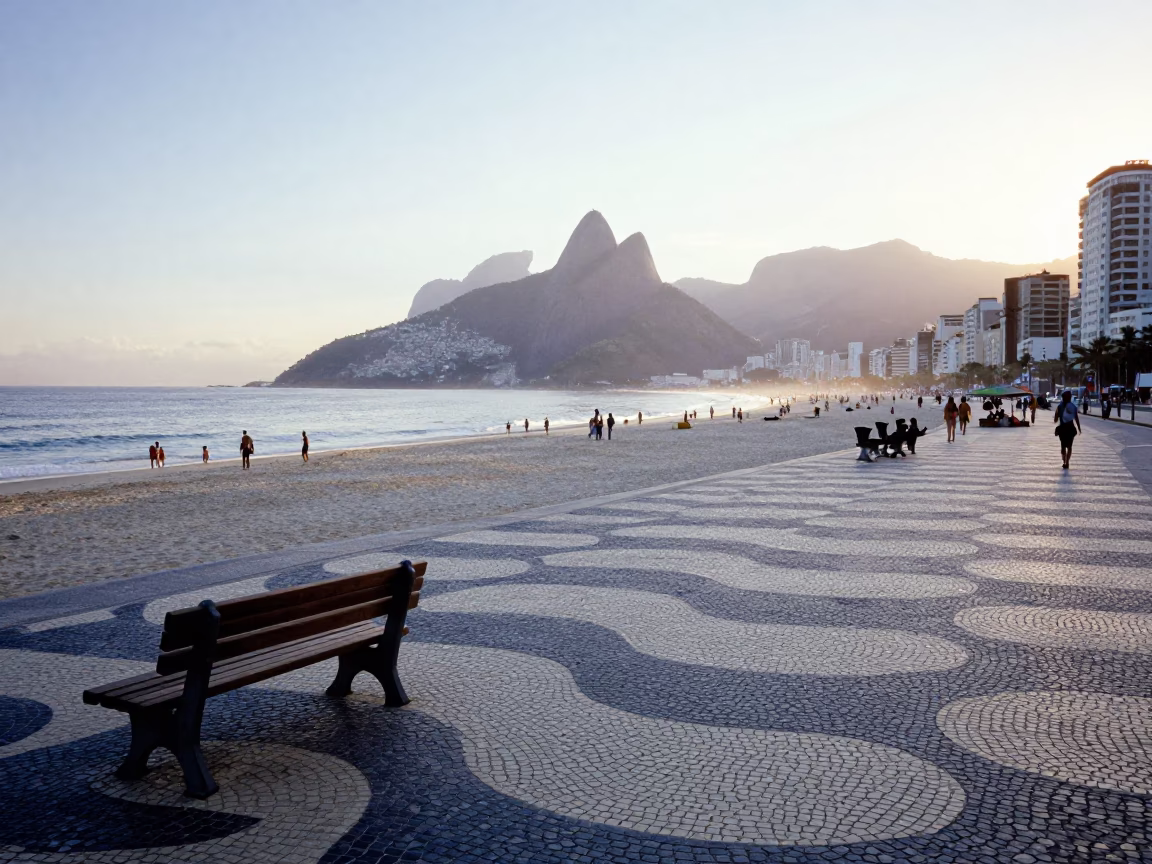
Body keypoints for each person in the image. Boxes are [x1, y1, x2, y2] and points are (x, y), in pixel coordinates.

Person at [1054, 390, 1082, 470]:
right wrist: (1079, 428)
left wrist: (1057, 416)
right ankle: (1067, 462)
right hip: (1070, 429)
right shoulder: (1073, 406)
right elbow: (1076, 418)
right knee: (1069, 446)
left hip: (1063, 429)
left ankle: (1065, 462)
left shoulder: (1060, 406)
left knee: (1063, 446)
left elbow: (1055, 420)